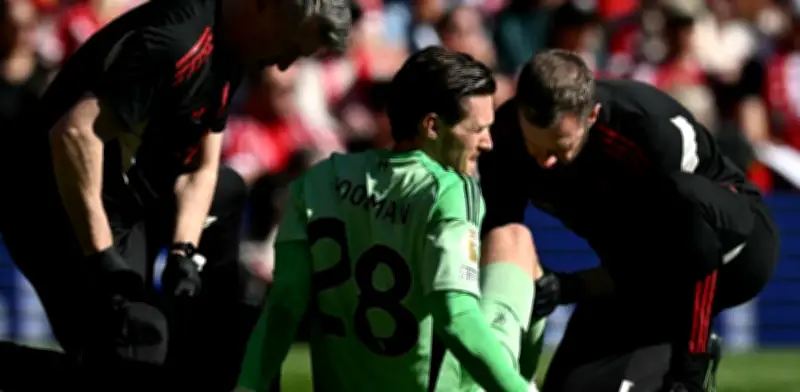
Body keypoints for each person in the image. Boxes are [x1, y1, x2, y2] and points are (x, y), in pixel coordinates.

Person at [0, 0, 351, 390]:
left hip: (125, 197)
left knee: (227, 194)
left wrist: (184, 253)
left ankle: (203, 351)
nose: (284, 65)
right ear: (262, 7)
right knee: (135, 351)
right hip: (56, 206)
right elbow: (74, 135)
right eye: (288, 46)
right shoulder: (178, 40)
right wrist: (102, 257)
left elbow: (203, 168)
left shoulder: (233, 48)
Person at [236, 46, 535, 392]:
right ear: (433, 126)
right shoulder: (453, 191)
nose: (488, 143)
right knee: (514, 240)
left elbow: (284, 305)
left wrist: (247, 387)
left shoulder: (317, 181)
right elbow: (458, 320)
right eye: (478, 129)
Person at [478, 49, 779, 392]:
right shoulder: (504, 138)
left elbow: (691, 257)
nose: (547, 163)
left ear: (591, 115)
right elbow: (503, 232)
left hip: (730, 254)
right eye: (538, 147)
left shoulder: (648, 132)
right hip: (639, 269)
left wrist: (688, 375)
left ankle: (694, 359)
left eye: (562, 149)